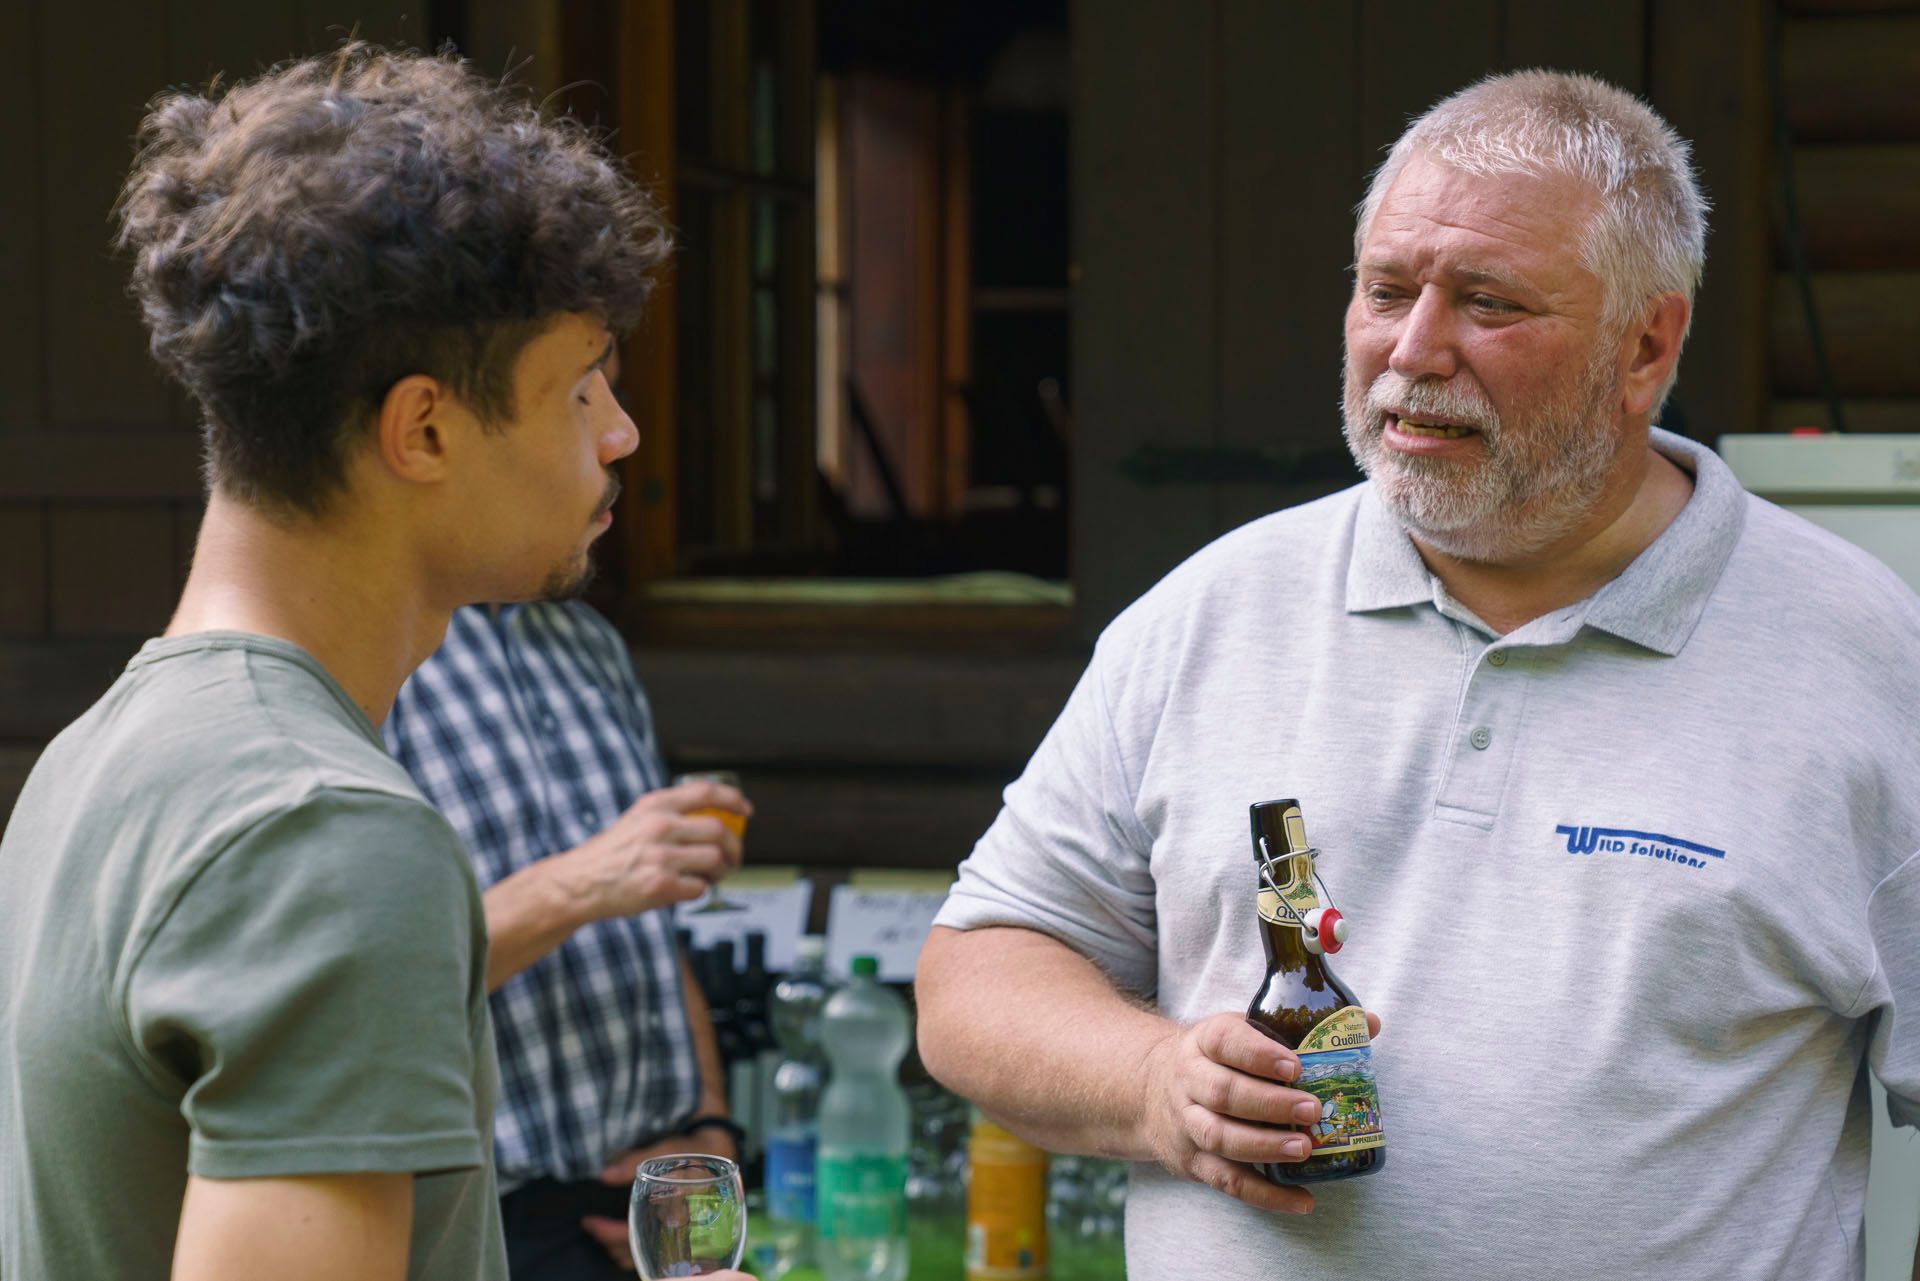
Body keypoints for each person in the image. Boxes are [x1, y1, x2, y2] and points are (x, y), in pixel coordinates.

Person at [915, 70, 1920, 1280]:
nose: (1412, 347)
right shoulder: (1212, 612)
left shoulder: (1865, 662)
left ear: (1647, 343)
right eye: (1387, 290)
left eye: (1488, 303)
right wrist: (1155, 1083)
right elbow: (981, 968)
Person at [0, 43, 753, 1281]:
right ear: (424, 428)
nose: (621, 434)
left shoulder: (100, 757)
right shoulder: (328, 833)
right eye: (577, 390)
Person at [384, 597, 751, 1279]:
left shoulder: (589, 638)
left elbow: (650, 932)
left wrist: (709, 1133)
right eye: (594, 475)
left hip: (649, 1215)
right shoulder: (374, 651)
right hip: (483, 1230)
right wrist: (578, 884)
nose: (609, 485)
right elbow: (366, 983)